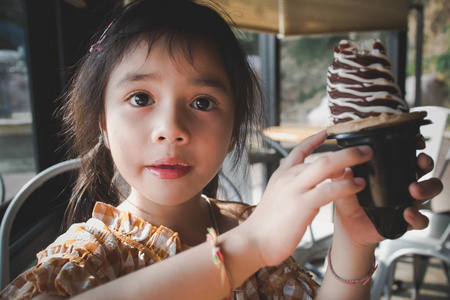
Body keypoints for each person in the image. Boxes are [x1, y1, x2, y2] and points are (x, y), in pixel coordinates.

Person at [0, 0, 442, 299]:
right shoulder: (90, 256)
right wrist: (249, 246)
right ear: (102, 121)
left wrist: (353, 240)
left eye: (203, 102)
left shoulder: (250, 226)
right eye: (140, 98)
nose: (171, 130)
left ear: (234, 129)